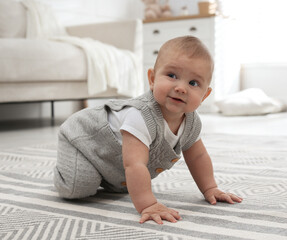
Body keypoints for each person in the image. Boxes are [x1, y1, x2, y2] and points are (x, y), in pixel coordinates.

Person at [54, 36, 242, 225]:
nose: (180, 88)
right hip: (83, 138)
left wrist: (210, 188)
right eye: (172, 75)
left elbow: (198, 157)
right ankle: (65, 168)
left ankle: (104, 175)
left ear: (205, 95)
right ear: (152, 79)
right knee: (78, 187)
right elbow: (134, 164)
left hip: (110, 158)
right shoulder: (140, 116)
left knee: (123, 184)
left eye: (193, 83)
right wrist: (148, 204)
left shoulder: (192, 123)